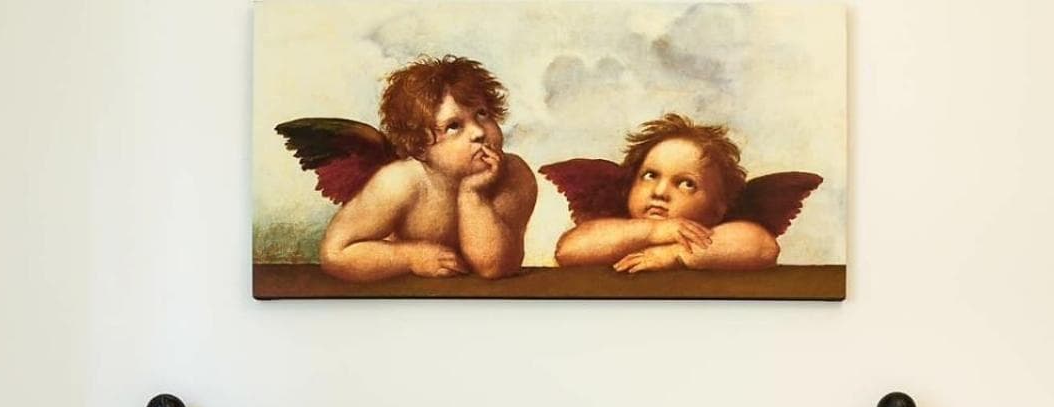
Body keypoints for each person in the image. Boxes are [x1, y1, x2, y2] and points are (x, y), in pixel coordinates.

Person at [311, 56, 537, 282]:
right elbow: (336, 253)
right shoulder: (400, 183)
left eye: (482, 114)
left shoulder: (514, 174)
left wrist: (473, 194)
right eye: (453, 126)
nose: (478, 132)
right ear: (420, 148)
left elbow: (494, 267)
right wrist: (411, 257)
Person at [549, 114, 794, 273]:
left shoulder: (718, 236)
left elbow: (763, 247)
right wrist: (653, 231)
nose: (659, 192)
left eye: (686, 184)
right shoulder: (616, 231)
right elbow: (568, 250)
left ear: (718, 208)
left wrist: (674, 254)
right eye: (650, 176)